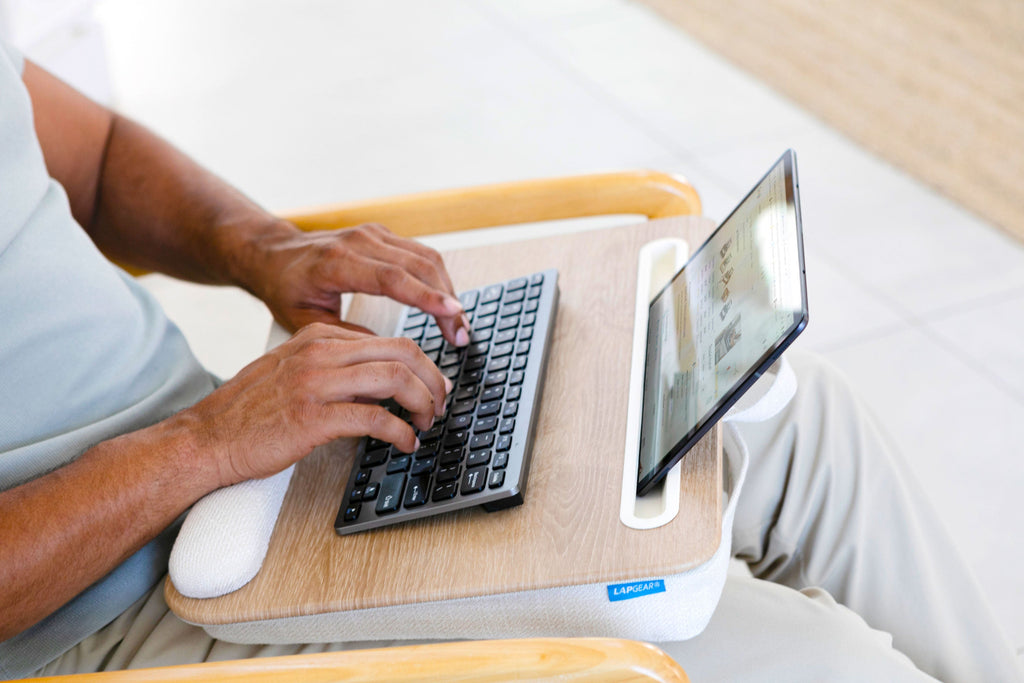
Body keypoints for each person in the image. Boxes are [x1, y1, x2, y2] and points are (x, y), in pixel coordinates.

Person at [0, 40, 1020, 683]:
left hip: (232, 473)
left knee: (797, 422)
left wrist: (263, 251)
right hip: (99, 628)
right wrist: (206, 441)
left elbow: (87, 158)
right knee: (820, 665)